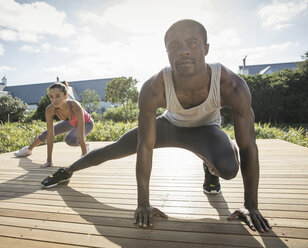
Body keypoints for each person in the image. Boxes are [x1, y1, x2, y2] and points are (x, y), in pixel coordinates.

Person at [40, 19, 271, 232]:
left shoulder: (231, 85)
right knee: (114, 148)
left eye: (192, 43)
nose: (184, 50)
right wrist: (144, 203)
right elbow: (145, 147)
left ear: (206, 48)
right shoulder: (154, 86)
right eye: (175, 45)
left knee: (229, 169)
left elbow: (249, 147)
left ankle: (211, 172)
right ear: (167, 52)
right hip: (169, 126)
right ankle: (66, 171)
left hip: (206, 130)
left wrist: (251, 206)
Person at [14, 81, 94, 168]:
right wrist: (49, 161)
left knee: (70, 139)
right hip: (70, 122)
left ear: (66, 96)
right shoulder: (50, 109)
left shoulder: (75, 106)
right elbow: (50, 135)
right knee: (46, 133)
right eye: (51, 97)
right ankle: (28, 150)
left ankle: (85, 147)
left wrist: (84, 158)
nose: (54, 100)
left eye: (57, 96)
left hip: (86, 123)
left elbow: (81, 135)